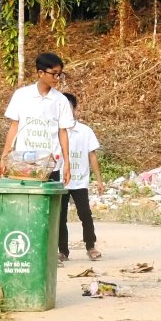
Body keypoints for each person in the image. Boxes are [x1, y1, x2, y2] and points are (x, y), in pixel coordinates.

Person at [0, 52, 74, 185]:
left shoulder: (60, 100)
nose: (57, 78)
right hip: (22, 163)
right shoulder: (21, 95)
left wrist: (67, 163)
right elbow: (14, 127)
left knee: (49, 204)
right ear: (41, 73)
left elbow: (63, 132)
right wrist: (4, 158)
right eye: (54, 73)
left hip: (50, 164)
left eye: (59, 74)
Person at [58, 93, 103, 262]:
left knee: (85, 214)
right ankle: (63, 251)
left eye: (68, 107)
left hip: (79, 180)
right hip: (61, 182)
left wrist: (98, 180)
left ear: (74, 108)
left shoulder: (85, 131)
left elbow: (92, 155)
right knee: (60, 217)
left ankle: (90, 246)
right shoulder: (55, 131)